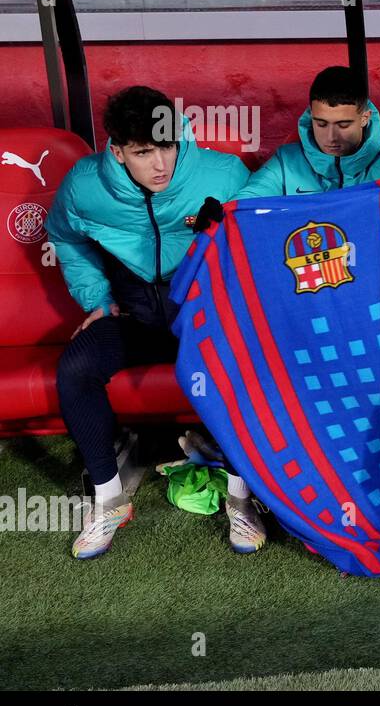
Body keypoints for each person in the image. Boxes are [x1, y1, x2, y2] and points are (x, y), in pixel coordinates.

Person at [48, 86, 250, 559]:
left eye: (167, 146)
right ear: (117, 152)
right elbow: (63, 235)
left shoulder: (222, 175)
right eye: (143, 152)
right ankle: (108, 499)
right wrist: (95, 297)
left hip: (199, 315)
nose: (160, 163)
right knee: (76, 369)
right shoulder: (85, 185)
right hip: (134, 313)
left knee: (244, 364)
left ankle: (243, 496)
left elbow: (256, 238)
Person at [233, 66, 380, 200]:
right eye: (321, 124)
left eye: (343, 124)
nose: (331, 137)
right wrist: (220, 215)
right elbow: (246, 204)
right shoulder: (286, 162)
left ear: (365, 118)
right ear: (311, 115)